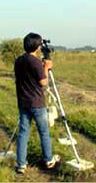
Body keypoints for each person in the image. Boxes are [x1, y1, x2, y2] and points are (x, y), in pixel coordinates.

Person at [14, 32, 60, 174]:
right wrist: (46, 67)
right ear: (37, 46)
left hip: (23, 102)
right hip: (37, 103)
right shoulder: (35, 62)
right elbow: (44, 82)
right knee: (44, 132)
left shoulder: (19, 60)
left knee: (23, 133)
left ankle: (21, 164)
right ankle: (48, 159)